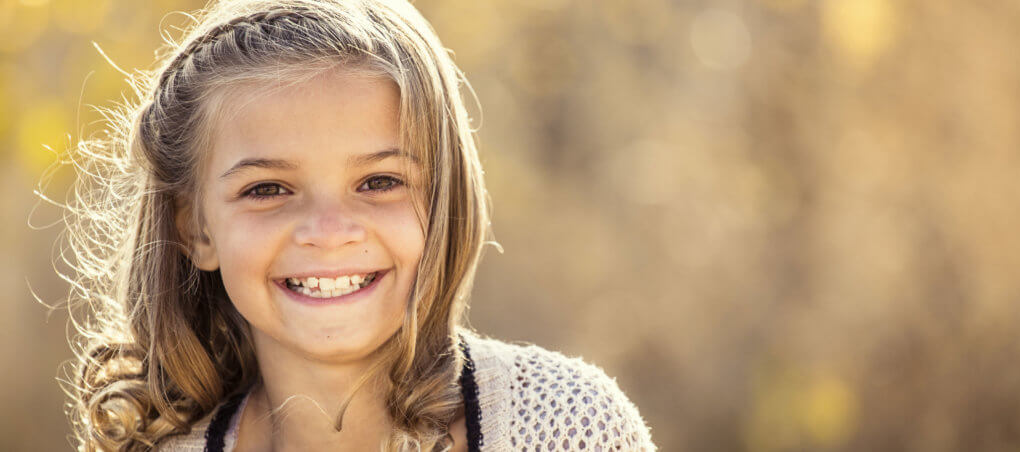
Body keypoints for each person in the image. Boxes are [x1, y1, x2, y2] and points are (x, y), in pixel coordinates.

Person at [61, 0, 656, 450]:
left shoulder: (561, 425)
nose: (329, 230)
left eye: (379, 182)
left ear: (442, 198)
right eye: (267, 189)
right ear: (196, 230)